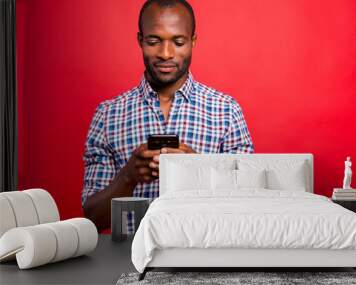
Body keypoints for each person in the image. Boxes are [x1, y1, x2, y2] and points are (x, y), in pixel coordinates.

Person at [82, 0, 254, 232]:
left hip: (203, 256)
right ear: (140, 40)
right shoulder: (108, 115)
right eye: (154, 41)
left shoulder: (226, 111)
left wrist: (199, 171)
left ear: (193, 41)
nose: (165, 54)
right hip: (129, 260)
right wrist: (127, 177)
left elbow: (247, 206)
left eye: (178, 42)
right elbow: (93, 218)